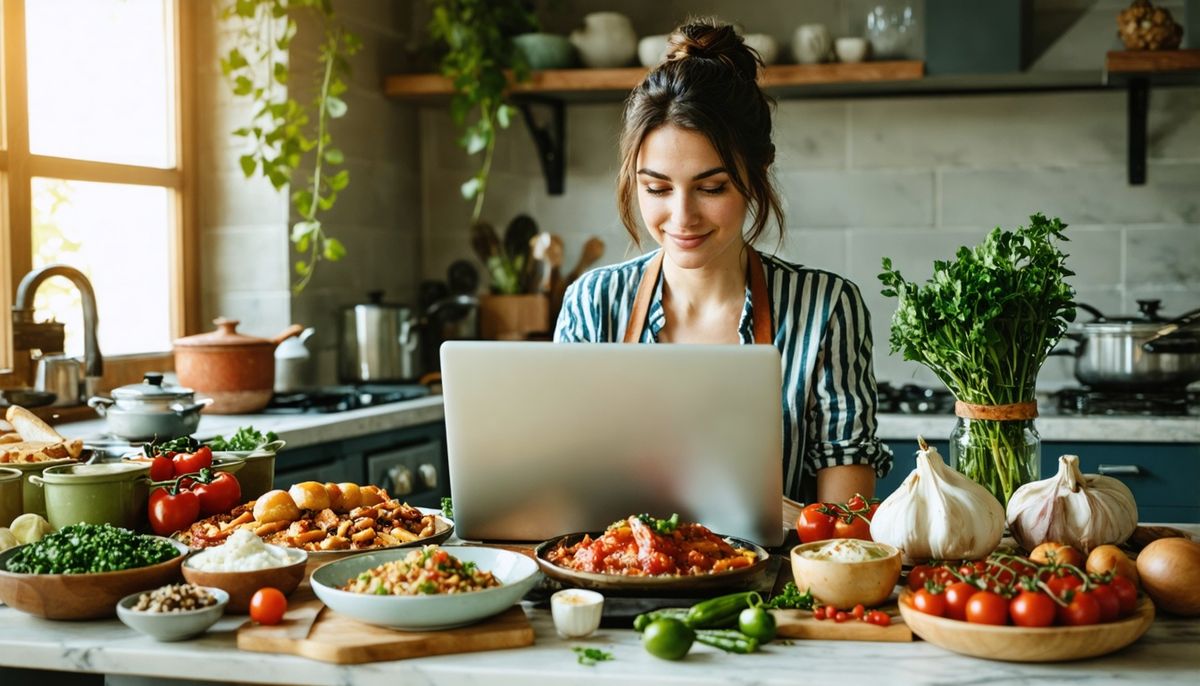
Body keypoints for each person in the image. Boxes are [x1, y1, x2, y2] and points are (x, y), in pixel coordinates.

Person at [554, 18, 892, 505]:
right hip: (615, 557)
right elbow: (564, 487)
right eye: (657, 188)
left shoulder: (825, 307)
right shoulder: (593, 304)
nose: (682, 217)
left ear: (757, 174)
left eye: (711, 188)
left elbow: (845, 525)